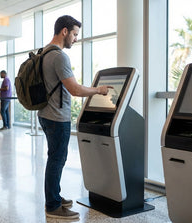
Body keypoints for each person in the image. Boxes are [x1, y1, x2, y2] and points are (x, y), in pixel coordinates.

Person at [38, 15, 112, 219]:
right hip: (56, 116)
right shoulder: (60, 56)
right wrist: (99, 90)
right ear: (64, 31)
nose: (76, 38)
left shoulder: (44, 52)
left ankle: (54, 195)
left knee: (54, 157)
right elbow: (75, 90)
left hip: (44, 113)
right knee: (57, 159)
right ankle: (52, 206)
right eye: (75, 34)